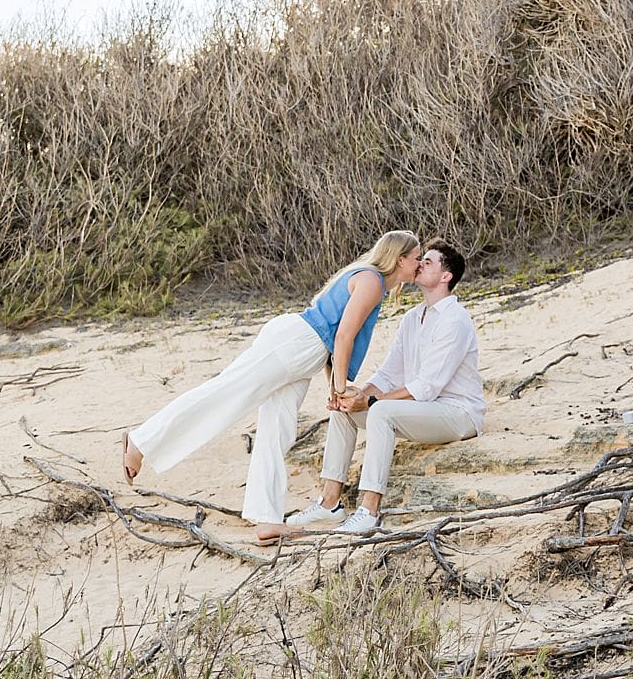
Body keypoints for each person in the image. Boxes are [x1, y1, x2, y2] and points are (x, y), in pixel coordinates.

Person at [121, 229, 421, 541]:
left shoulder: (376, 284)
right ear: (399, 259)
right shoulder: (372, 280)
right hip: (295, 344)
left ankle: (267, 518)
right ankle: (142, 441)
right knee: (224, 394)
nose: (420, 264)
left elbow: (336, 339)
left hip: (306, 354)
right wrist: (341, 386)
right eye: (416, 258)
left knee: (278, 430)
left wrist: (334, 386)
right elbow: (343, 335)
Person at [287, 238, 484, 536]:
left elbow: (427, 386)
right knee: (344, 410)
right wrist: (356, 395)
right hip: (423, 410)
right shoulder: (412, 318)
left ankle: (369, 511)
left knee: (381, 412)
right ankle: (329, 505)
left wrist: (371, 403)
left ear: (446, 277)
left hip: (458, 414)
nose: (419, 264)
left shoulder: (455, 320)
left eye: (428, 262)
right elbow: (389, 374)